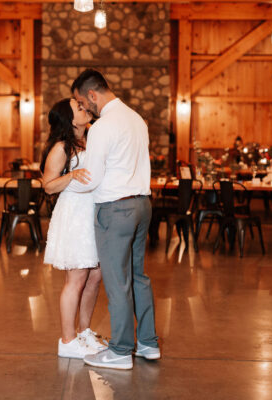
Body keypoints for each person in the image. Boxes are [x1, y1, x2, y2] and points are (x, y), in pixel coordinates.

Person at [66, 69, 160, 370]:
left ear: (93, 95)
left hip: (116, 211)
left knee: (117, 281)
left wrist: (63, 185)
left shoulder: (104, 126)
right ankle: (148, 343)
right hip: (142, 205)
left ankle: (120, 351)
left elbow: (91, 178)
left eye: (82, 102)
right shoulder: (136, 118)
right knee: (138, 277)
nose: (84, 109)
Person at [41, 98, 107, 359]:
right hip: (74, 214)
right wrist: (69, 176)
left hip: (94, 211)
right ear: (69, 119)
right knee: (77, 278)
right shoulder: (61, 147)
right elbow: (47, 185)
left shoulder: (91, 138)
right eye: (78, 108)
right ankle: (67, 341)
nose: (85, 109)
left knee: (95, 276)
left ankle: (84, 332)